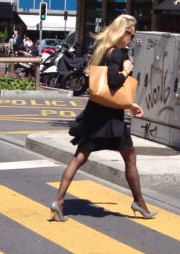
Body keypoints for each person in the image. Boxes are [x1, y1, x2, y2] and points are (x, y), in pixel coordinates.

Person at [50, 14, 157, 221]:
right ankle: (140, 203)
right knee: (130, 157)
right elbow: (114, 82)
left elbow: (107, 91)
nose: (132, 39)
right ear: (123, 32)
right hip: (110, 118)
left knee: (79, 156)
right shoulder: (116, 53)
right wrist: (126, 71)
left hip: (96, 112)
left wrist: (130, 104)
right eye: (131, 34)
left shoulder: (104, 51)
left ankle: (59, 201)